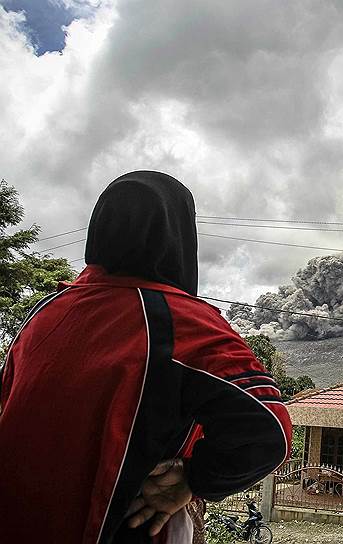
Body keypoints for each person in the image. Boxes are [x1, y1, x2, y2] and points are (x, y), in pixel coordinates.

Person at [0, 171, 292, 543]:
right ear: (179, 236)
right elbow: (270, 428)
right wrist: (193, 479)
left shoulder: (44, 314)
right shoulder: (179, 323)